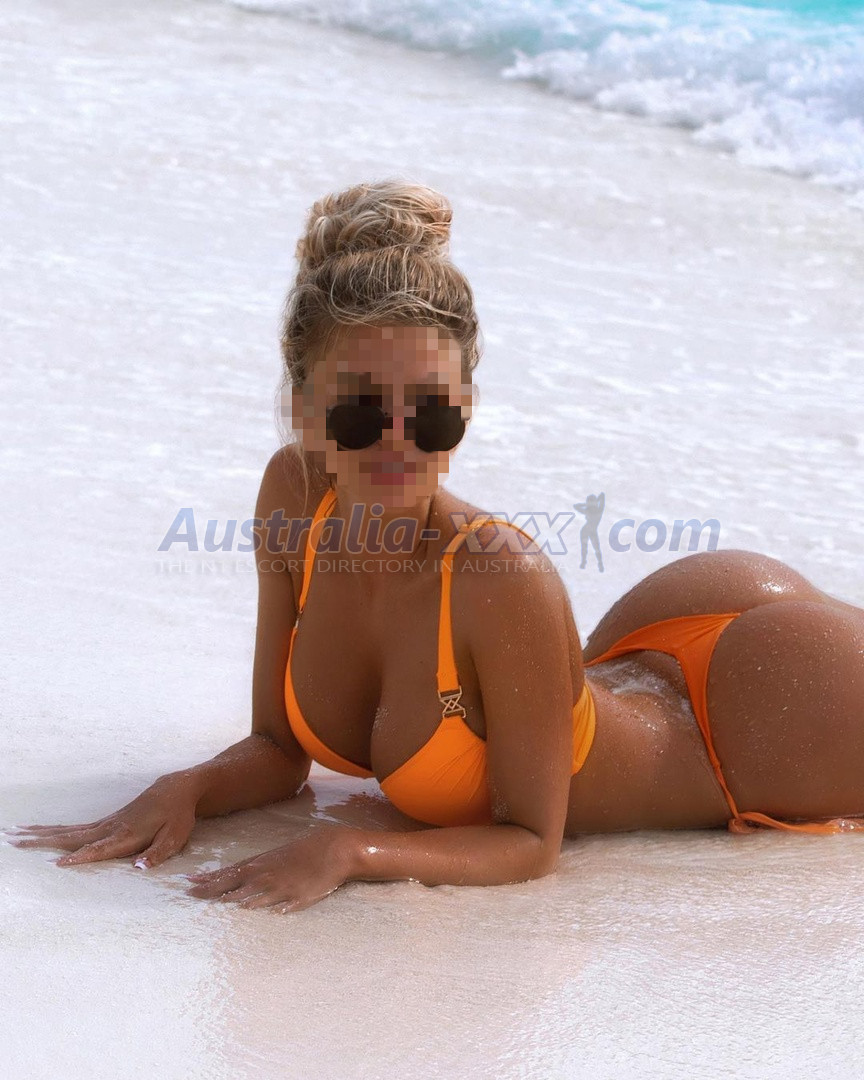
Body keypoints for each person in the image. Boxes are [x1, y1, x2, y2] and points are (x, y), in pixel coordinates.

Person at [10, 180, 864, 913]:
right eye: (359, 412)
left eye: (430, 415)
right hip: (650, 651)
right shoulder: (295, 497)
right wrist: (185, 788)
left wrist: (353, 850)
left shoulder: (499, 573)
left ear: (466, 406)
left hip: (768, 727)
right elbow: (277, 751)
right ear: (303, 408)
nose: (397, 447)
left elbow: (532, 843)